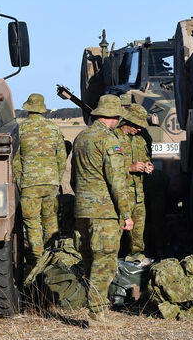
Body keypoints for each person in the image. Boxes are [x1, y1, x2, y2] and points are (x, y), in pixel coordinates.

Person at [71, 94, 134, 327]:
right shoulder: (109, 141)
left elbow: (74, 178)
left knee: (89, 260)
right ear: (115, 117)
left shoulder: (81, 137)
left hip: (82, 210)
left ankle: (96, 306)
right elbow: (117, 181)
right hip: (104, 212)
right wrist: (126, 214)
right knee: (104, 262)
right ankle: (97, 315)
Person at [12, 93, 67, 265]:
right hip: (51, 183)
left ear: (28, 108)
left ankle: (37, 259)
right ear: (42, 109)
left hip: (29, 185)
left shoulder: (21, 129)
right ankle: (52, 260)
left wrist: (21, 182)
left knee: (32, 223)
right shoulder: (54, 129)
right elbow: (61, 158)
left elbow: (15, 161)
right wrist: (56, 178)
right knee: (51, 220)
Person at [118, 103, 154, 263]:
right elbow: (107, 167)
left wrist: (148, 165)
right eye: (137, 126)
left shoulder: (140, 140)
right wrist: (129, 168)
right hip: (121, 194)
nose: (139, 129)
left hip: (138, 194)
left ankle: (135, 258)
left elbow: (146, 158)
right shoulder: (114, 138)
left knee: (138, 232)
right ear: (128, 121)